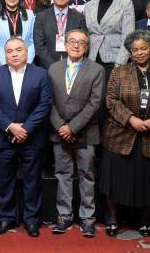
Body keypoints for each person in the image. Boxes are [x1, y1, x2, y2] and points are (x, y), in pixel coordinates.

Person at [101, 29, 150, 237]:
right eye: (134, 50)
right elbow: (111, 100)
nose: (139, 53)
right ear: (129, 52)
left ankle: (145, 221)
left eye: (143, 48)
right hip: (121, 135)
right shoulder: (118, 72)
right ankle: (112, 219)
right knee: (115, 181)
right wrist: (131, 119)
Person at [0, 37, 52, 237]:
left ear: (26, 52)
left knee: (32, 181)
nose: (14, 54)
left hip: (32, 138)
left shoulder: (40, 74)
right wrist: (10, 127)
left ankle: (32, 220)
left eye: (18, 50)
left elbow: (45, 104)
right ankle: (6, 218)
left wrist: (26, 128)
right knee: (4, 182)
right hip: (3, 138)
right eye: (9, 51)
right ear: (4, 55)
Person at [48, 29, 104, 237]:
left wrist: (73, 127)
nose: (76, 45)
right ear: (65, 43)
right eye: (72, 41)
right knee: (62, 174)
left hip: (86, 132)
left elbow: (95, 102)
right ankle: (64, 217)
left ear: (87, 47)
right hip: (59, 132)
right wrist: (61, 126)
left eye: (81, 43)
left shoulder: (97, 69)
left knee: (87, 175)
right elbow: (49, 101)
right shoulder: (53, 68)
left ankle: (88, 219)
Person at [83, 0, 134, 77]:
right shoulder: (89, 6)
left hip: (115, 59)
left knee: (111, 93)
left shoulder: (126, 4)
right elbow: (86, 34)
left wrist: (120, 64)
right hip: (92, 59)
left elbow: (128, 37)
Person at [34, 0, 87, 69]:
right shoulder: (41, 17)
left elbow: (82, 43)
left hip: (74, 66)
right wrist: (54, 66)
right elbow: (39, 46)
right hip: (47, 67)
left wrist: (71, 63)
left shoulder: (79, 18)